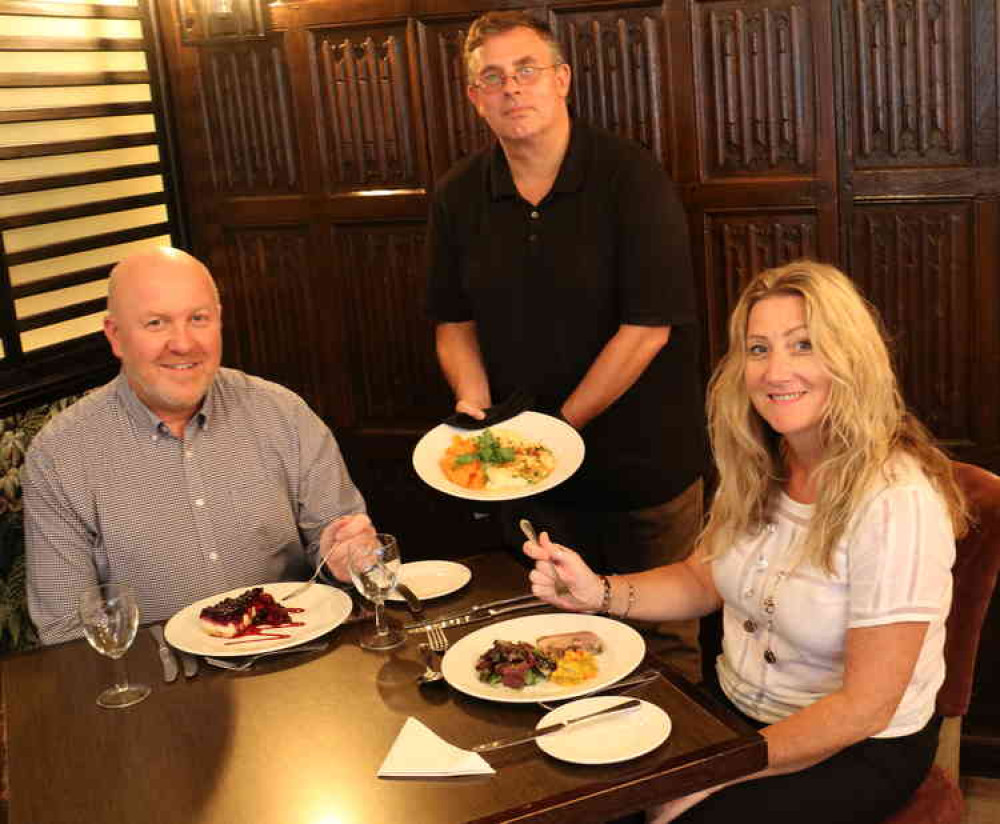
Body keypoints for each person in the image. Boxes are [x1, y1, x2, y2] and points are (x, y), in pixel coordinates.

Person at [524, 260, 968, 823]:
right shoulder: (762, 460)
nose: (775, 371)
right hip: (735, 711)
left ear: (851, 357)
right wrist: (598, 593)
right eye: (758, 349)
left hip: (858, 748)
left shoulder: (896, 500)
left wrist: (717, 772)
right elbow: (700, 579)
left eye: (803, 345)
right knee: (584, 797)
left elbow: (865, 707)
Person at [425, 10, 707, 677]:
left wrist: (556, 432)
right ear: (475, 99)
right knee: (560, 646)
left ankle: (680, 782)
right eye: (491, 78)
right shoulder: (458, 194)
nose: (511, 88)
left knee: (665, 651)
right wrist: (474, 406)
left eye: (526, 71)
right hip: (533, 478)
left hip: (644, 469)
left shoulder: (630, 175)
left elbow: (648, 328)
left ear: (562, 81)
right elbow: (452, 321)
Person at [24, 247, 373, 645]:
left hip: (293, 656)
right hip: (160, 683)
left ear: (219, 321)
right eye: (156, 323)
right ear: (116, 337)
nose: (183, 343)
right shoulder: (60, 455)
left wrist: (345, 559)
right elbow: (65, 627)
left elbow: (344, 553)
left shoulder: (283, 413)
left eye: (198, 319)